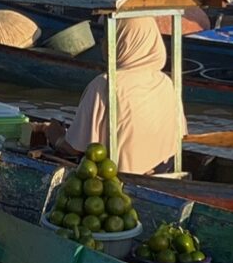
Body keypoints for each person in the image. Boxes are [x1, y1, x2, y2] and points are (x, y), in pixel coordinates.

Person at [55, 17, 185, 176]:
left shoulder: (105, 84)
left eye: (106, 36)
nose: (102, 41)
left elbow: (74, 148)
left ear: (121, 41)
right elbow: (181, 135)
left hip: (116, 184)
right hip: (165, 176)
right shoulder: (166, 83)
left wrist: (55, 136)